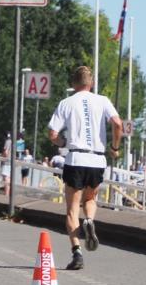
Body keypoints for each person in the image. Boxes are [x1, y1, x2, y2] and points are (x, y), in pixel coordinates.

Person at [48, 66, 123, 271]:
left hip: (76, 158)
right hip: (97, 160)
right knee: (90, 199)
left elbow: (53, 134)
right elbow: (117, 123)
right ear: (92, 84)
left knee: (72, 210)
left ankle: (77, 253)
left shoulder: (66, 103)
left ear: (73, 84)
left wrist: (63, 143)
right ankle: (89, 220)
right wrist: (114, 148)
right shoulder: (103, 100)